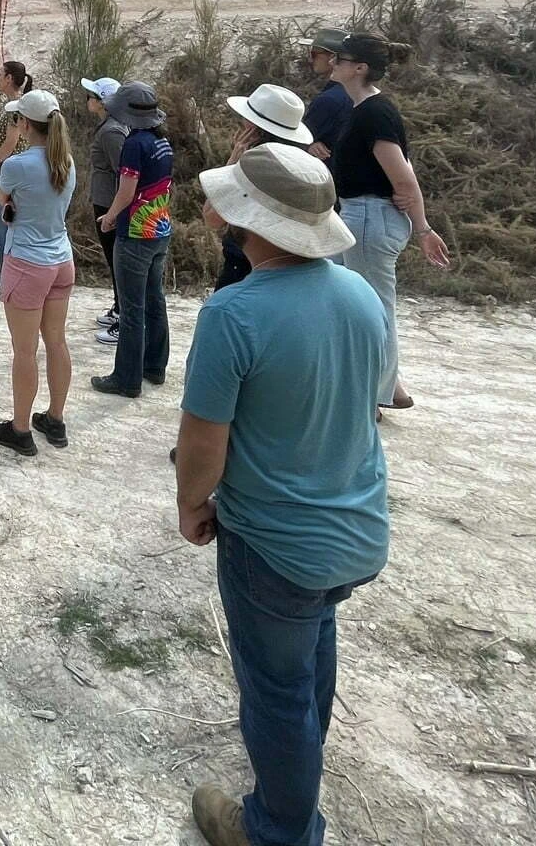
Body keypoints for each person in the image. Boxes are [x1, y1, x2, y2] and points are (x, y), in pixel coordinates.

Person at [174, 143, 390, 846]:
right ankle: (297, 766)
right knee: (308, 650)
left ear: (249, 219)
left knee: (275, 689)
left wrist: (191, 504)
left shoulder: (233, 314)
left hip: (274, 544)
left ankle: (277, 827)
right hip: (356, 531)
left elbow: (205, 442)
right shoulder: (360, 294)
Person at [327, 34, 452, 412]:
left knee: (372, 308)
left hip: (370, 217)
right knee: (345, 298)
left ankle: (374, 396)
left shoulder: (374, 112)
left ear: (359, 68)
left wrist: (423, 228)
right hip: (361, 215)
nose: (333, 63)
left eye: (340, 58)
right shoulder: (366, 108)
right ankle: (390, 386)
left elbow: (403, 177)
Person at [0, 89, 78, 457]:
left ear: (25, 124)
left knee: (24, 351)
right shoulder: (67, 161)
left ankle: (21, 428)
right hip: (60, 259)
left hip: (27, 262)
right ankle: (55, 419)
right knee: (56, 341)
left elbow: (4, 199)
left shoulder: (17, 165)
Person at [94, 82, 173, 398]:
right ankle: (155, 366)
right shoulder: (162, 142)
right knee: (155, 300)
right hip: (159, 230)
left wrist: (109, 217)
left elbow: (126, 192)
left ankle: (126, 379)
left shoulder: (133, 145)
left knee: (131, 309)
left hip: (135, 234)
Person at [213, 84, 315, 292]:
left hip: (243, 266)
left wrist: (233, 160)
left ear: (253, 128)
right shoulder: (305, 168)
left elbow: (212, 216)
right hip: (292, 268)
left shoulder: (248, 167)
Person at [0, 60, 33, 294]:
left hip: (9, 169)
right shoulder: (15, 105)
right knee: (2, 221)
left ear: (9, 78)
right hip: (9, 167)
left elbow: (10, 143)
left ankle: (8, 274)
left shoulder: (16, 107)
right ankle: (3, 269)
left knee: (6, 221)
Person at [81, 75, 126, 346]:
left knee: (117, 260)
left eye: (92, 95)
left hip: (110, 204)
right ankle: (119, 308)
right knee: (114, 259)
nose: (88, 99)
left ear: (103, 102)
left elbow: (124, 172)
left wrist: (114, 211)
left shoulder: (111, 131)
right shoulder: (109, 127)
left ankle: (124, 317)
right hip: (106, 201)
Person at [304, 29, 353, 163]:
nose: (310, 59)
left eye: (314, 54)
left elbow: (300, 139)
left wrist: (307, 145)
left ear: (332, 58)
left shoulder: (328, 100)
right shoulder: (355, 91)